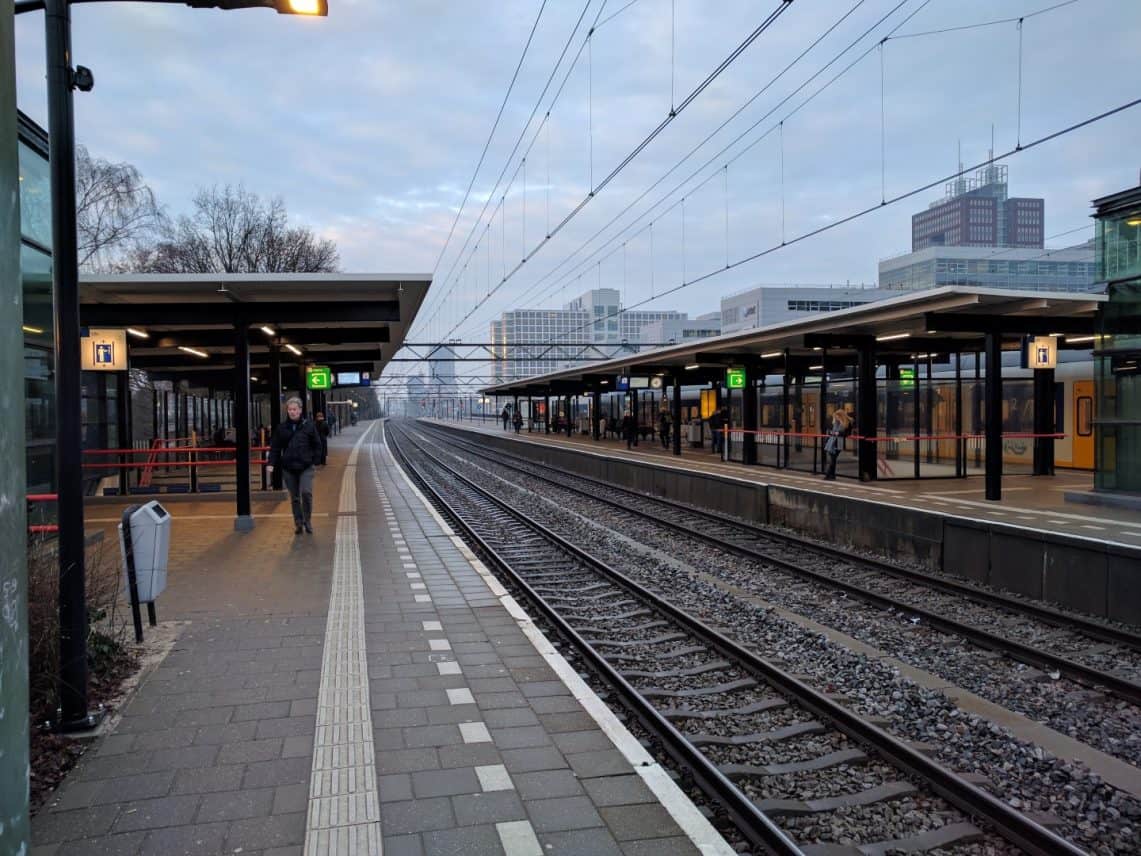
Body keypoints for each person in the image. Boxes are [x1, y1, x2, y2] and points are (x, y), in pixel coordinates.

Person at [267, 397, 323, 534]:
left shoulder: (309, 425)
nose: (292, 412)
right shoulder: (281, 428)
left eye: (295, 409)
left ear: (300, 410)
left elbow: (317, 444)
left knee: (306, 493)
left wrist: (315, 460)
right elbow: (275, 447)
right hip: (289, 468)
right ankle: (298, 523)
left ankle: (307, 520)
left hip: (305, 467)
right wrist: (271, 463)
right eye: (290, 409)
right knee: (295, 497)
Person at [823, 408, 852, 480]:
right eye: (835, 417)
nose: (836, 418)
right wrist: (832, 433)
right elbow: (830, 431)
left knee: (833, 460)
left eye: (837, 417)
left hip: (838, 443)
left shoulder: (847, 423)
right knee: (833, 460)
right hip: (831, 443)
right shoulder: (835, 422)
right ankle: (831, 475)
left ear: (841, 416)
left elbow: (847, 434)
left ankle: (828, 475)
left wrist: (839, 433)